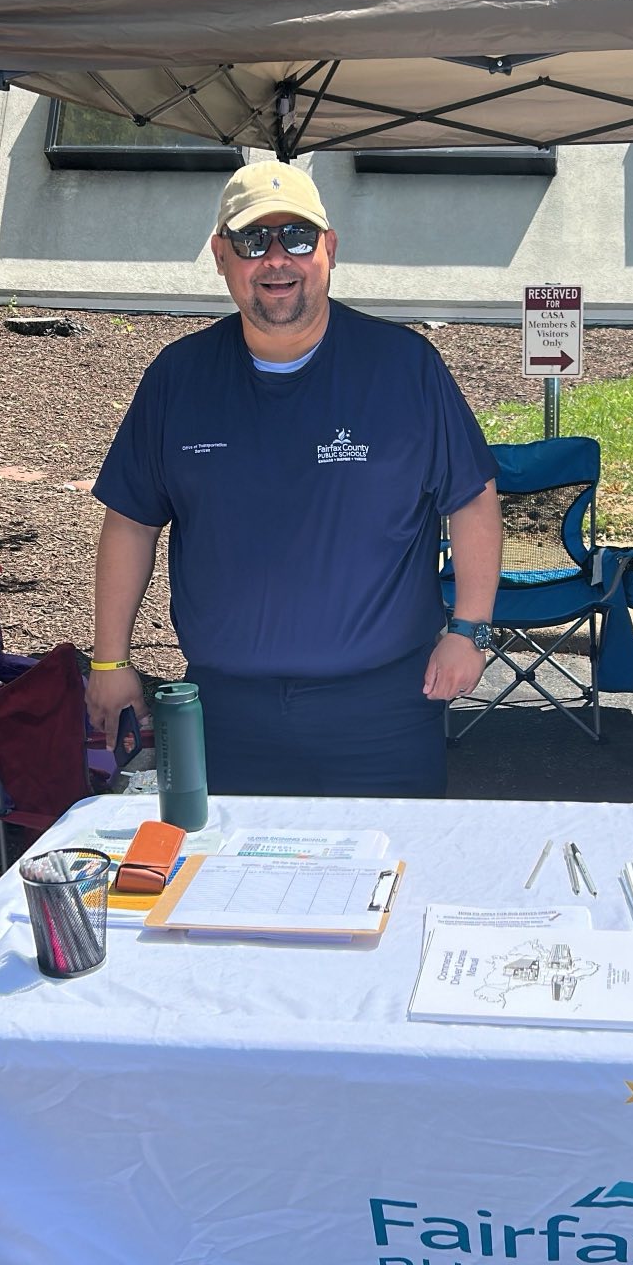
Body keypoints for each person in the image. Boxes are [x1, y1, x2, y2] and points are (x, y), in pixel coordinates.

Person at [85, 162, 502, 798]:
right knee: (230, 864)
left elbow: (472, 500)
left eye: (298, 238)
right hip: (226, 715)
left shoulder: (404, 368)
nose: (277, 259)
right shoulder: (179, 377)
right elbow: (131, 522)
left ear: (330, 248)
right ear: (220, 256)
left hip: (384, 713)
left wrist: (469, 630)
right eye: (253, 241)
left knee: (388, 860)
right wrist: (110, 660)